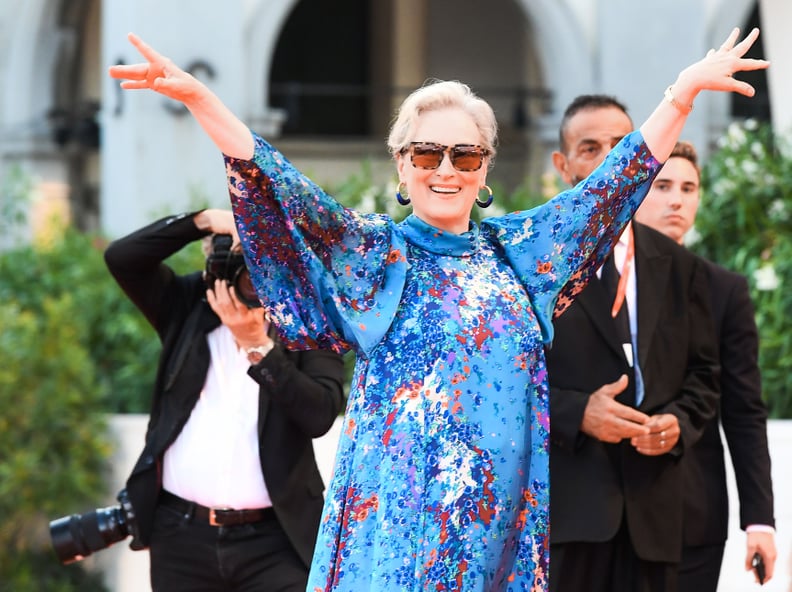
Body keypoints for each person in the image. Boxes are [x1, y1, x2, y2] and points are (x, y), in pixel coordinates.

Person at [109, 27, 767, 591]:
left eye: (465, 154)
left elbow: (613, 186)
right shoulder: (371, 253)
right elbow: (277, 180)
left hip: (494, 535)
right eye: (426, 152)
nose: (444, 168)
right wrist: (199, 99)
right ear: (401, 167)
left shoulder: (524, 254)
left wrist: (680, 95)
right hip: (389, 534)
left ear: (484, 170)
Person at [103, 208, 346, 591]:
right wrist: (204, 219)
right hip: (181, 538)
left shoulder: (306, 321)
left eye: (260, 258)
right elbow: (121, 258)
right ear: (212, 261)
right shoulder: (186, 305)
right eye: (238, 256)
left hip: (276, 540)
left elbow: (319, 415)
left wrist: (260, 348)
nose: (250, 274)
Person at [546, 94, 722, 592]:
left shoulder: (679, 264)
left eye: (620, 144)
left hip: (656, 518)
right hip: (568, 518)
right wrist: (577, 413)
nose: (608, 158)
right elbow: (501, 382)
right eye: (589, 147)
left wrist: (678, 424)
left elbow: (705, 376)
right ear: (563, 165)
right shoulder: (533, 263)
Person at [634, 140, 776, 589]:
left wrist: (760, 521)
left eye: (689, 188)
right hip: (603, 515)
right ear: (632, 192)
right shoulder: (591, 279)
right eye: (662, 186)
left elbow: (744, 410)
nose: (677, 199)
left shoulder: (723, 290)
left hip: (691, 513)